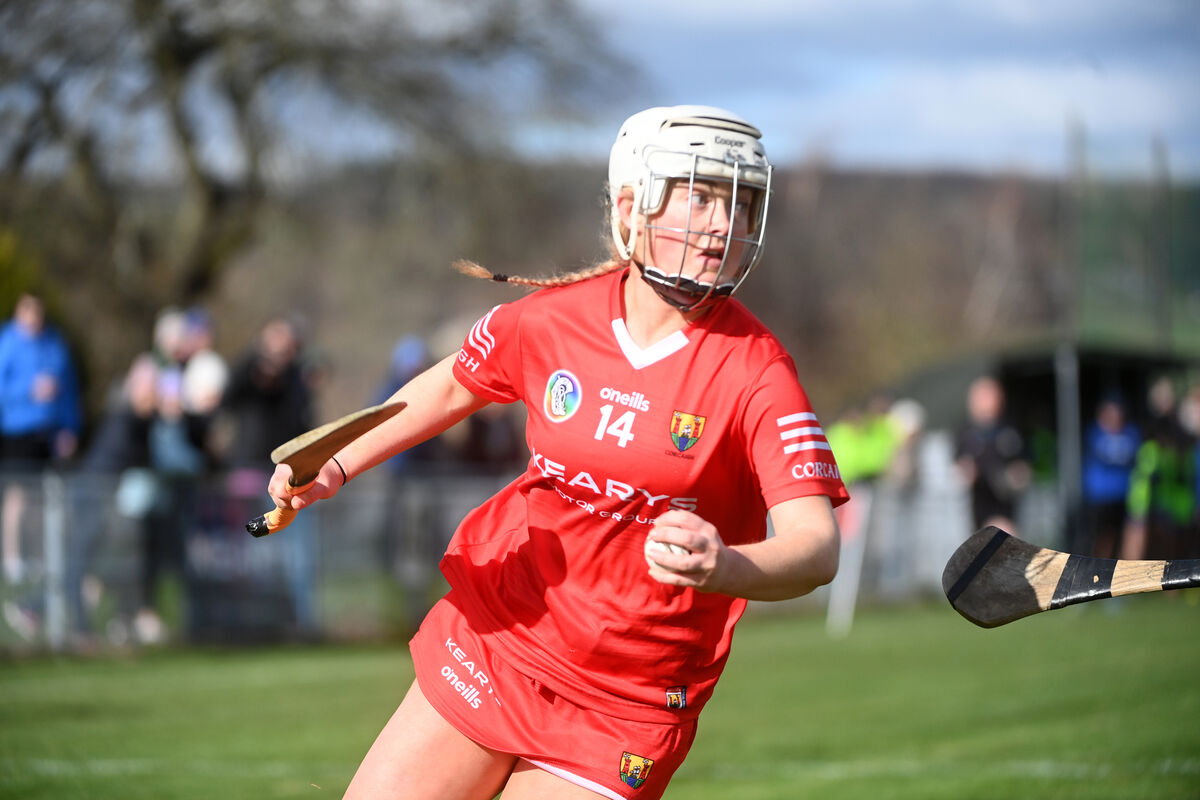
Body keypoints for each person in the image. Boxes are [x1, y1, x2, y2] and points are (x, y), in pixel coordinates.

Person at [265, 105, 846, 799]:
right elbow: (451, 388)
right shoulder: (553, 320)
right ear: (634, 205)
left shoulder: (758, 370)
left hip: (624, 702)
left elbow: (817, 545)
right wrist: (336, 464)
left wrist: (724, 565)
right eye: (702, 195)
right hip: (500, 640)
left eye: (742, 203)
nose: (725, 223)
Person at [0, 292, 83, 588]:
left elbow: (69, 390)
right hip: (17, 431)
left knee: (41, 497)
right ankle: (11, 558)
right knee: (18, 496)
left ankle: (37, 555)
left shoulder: (54, 344)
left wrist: (70, 428)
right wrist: (28, 391)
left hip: (48, 433)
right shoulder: (7, 343)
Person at [954, 375, 1031, 535]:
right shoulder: (964, 432)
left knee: (1002, 540)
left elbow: (1024, 467)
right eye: (981, 397)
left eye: (991, 396)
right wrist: (965, 474)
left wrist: (1015, 477)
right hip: (973, 507)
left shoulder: (1010, 429)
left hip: (1003, 506)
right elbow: (957, 468)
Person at [1080, 393, 1140, 559]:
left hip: (1122, 496)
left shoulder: (1131, 433)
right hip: (1098, 499)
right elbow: (1109, 454)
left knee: (1119, 538)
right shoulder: (1094, 433)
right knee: (1099, 539)